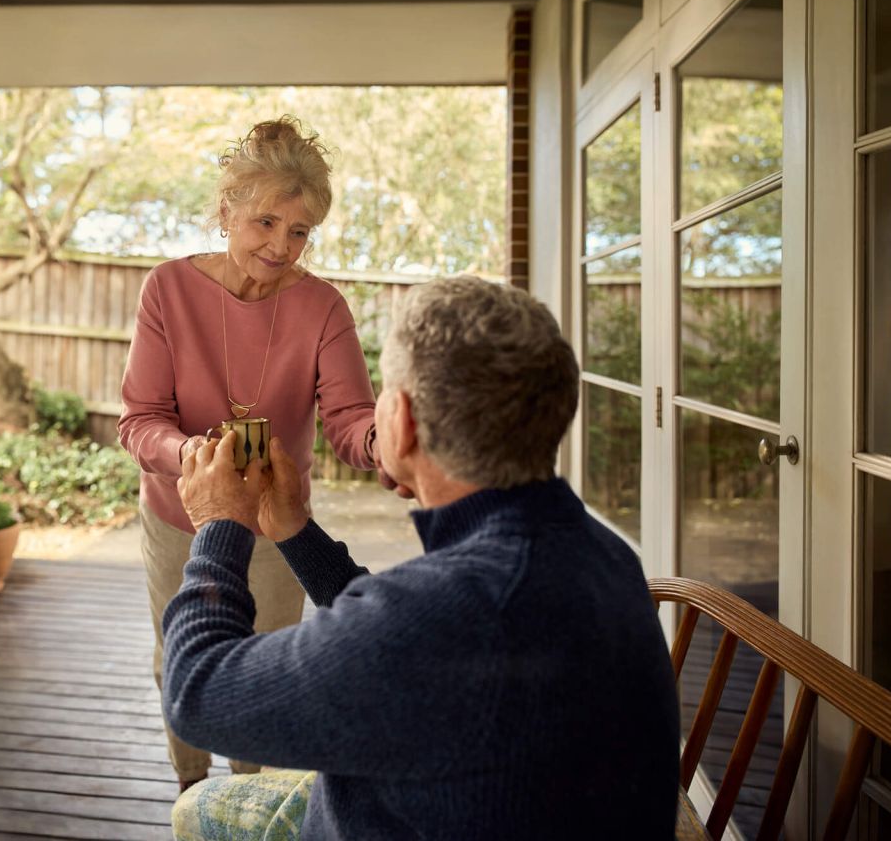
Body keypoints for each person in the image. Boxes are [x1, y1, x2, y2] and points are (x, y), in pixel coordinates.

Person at [162, 275, 680, 840]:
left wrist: (219, 525)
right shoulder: (595, 551)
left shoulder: (451, 616)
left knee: (197, 808)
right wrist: (292, 530)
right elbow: (401, 637)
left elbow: (198, 694)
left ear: (401, 421)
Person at [118, 116, 381, 792]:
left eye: (299, 231)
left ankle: (251, 801)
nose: (282, 245)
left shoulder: (323, 308)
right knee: (181, 658)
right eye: (266, 222)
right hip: (182, 517)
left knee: (265, 668)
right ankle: (194, 793)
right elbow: (141, 422)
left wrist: (389, 444)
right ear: (227, 210)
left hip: (273, 526)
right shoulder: (168, 290)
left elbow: (352, 422)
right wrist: (198, 459)